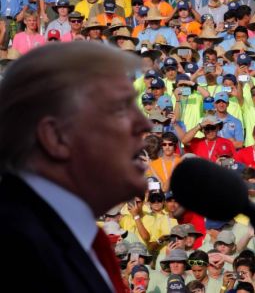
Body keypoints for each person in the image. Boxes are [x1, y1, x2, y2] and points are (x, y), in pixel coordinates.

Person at [0, 42, 150, 291]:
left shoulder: (83, 240)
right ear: (56, 137)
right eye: (120, 108)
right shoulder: (14, 247)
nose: (144, 124)